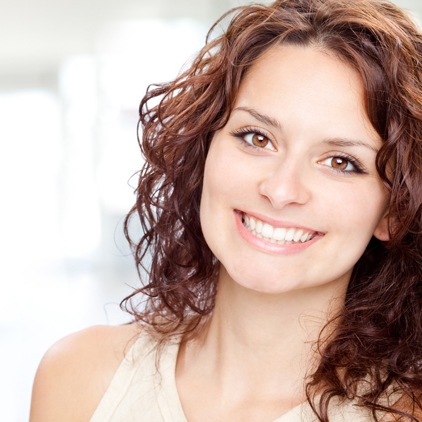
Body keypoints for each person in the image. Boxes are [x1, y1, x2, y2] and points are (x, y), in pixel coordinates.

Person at [30, 0, 422, 420]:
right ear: (205, 150)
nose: (280, 189)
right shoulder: (79, 378)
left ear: (393, 211)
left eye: (341, 162)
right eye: (256, 137)